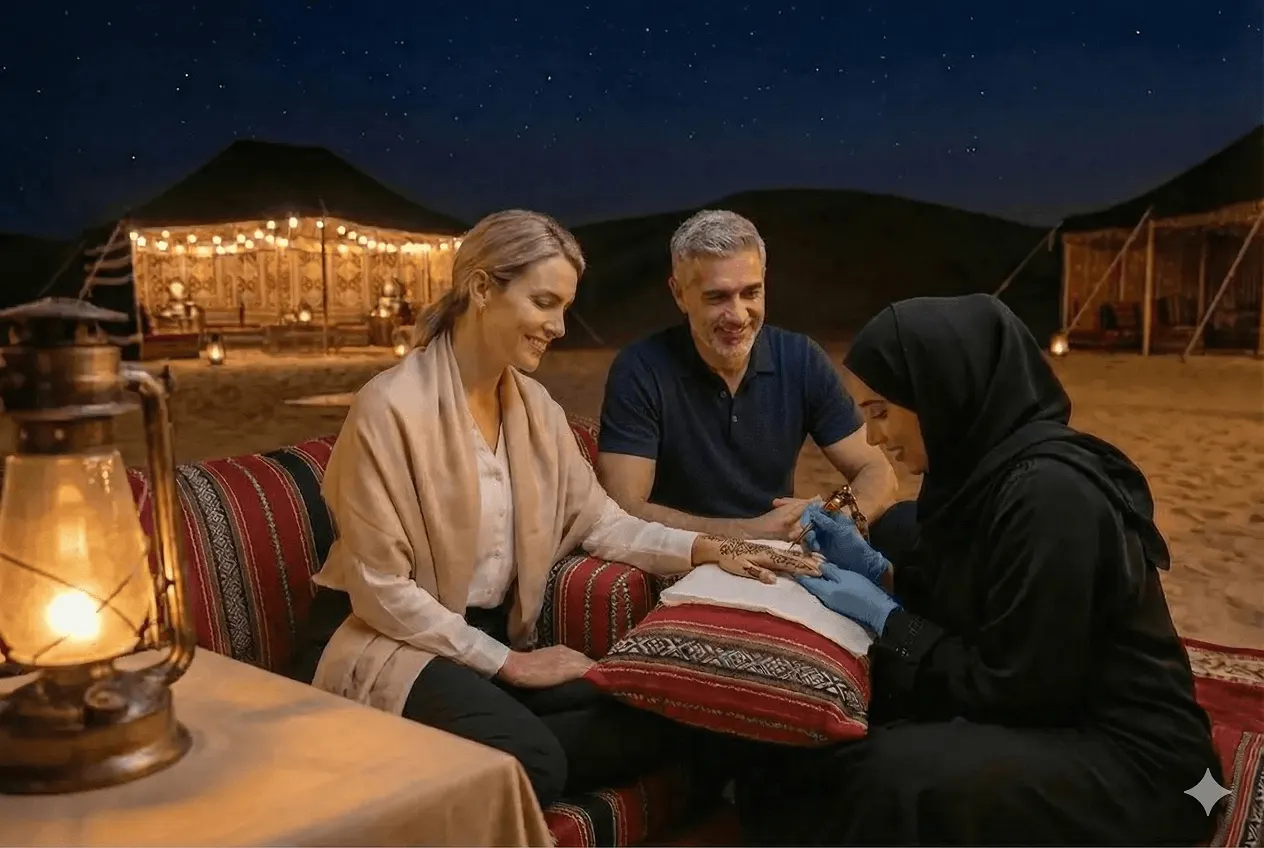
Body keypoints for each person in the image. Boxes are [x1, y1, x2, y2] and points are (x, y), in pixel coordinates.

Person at [287, 209, 823, 808]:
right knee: (534, 760)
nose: (559, 326)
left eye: (564, 307)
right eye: (544, 303)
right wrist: (510, 665)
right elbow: (381, 589)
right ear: (483, 288)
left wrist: (707, 549)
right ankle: (388, 767)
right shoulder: (388, 408)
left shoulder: (534, 408)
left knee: (659, 714)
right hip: (383, 638)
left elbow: (600, 521)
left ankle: (485, 749)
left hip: (478, 637)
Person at [739, 293, 1222, 845]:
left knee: (895, 776)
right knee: (898, 529)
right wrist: (882, 575)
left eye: (881, 412)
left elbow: (1020, 691)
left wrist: (889, 619)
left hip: (1148, 766)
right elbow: (981, 603)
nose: (874, 438)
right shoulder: (983, 477)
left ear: (940, 393)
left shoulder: (1051, 497)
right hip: (1049, 716)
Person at [597, 209, 898, 543]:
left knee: (904, 527)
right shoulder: (640, 369)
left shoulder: (800, 359)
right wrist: (745, 533)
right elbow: (624, 508)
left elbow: (878, 471)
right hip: (680, 557)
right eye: (718, 297)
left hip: (779, 556)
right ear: (679, 293)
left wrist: (834, 523)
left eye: (751, 293)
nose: (738, 315)